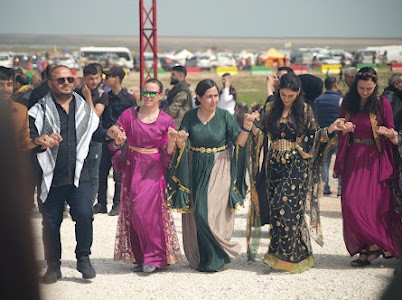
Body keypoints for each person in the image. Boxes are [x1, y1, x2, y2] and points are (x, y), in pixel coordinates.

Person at [28, 65, 118, 283]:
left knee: (85, 215)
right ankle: (53, 266)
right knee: (50, 223)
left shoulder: (83, 108)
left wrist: (109, 134)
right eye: (60, 80)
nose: (66, 83)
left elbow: (94, 132)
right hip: (51, 175)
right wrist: (41, 142)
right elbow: (30, 136)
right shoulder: (38, 110)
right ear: (50, 83)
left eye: (69, 79)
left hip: (79, 174)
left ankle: (83, 258)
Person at [247, 72, 343, 273]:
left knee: (287, 208)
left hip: (297, 166)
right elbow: (261, 131)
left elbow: (315, 136)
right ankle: (284, 253)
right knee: (276, 211)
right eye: (283, 95)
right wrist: (252, 125)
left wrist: (331, 129)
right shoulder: (272, 107)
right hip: (274, 166)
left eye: (291, 96)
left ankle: (288, 257)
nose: (287, 99)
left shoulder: (305, 110)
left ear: (298, 93)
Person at [168, 79, 254, 272]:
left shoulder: (224, 116)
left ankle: (219, 255)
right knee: (197, 212)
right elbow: (184, 142)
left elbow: (239, 142)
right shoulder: (190, 116)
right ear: (199, 98)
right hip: (196, 166)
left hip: (220, 166)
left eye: (216, 95)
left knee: (209, 213)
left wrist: (247, 126)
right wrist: (180, 142)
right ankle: (203, 257)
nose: (214, 100)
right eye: (209, 96)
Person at [111, 78, 181, 273]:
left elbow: (167, 152)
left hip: (153, 169)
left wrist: (173, 141)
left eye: (152, 93)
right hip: (133, 166)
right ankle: (141, 255)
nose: (148, 96)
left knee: (146, 212)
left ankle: (154, 256)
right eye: (145, 92)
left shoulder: (165, 120)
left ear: (160, 96)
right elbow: (117, 133)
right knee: (134, 212)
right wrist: (116, 134)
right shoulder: (128, 115)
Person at [333, 67, 402, 267]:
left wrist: (386, 132)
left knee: (374, 204)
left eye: (369, 88)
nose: (364, 92)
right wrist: (344, 129)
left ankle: (371, 247)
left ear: (375, 87)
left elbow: (392, 130)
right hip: (354, 156)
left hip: (375, 158)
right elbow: (339, 125)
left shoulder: (383, 103)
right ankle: (367, 245)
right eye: (361, 88)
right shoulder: (348, 101)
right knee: (351, 204)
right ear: (355, 85)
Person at [0, 94, 41, 299]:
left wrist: (38, 142)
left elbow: (24, 142)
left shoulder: (19, 110)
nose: (5, 88)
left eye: (9, 84)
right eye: (1, 84)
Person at [93, 66, 136, 216]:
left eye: (109, 76)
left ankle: (118, 204)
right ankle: (102, 203)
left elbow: (133, 120)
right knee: (102, 171)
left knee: (119, 173)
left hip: (122, 141)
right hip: (106, 138)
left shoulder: (129, 99)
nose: (106, 79)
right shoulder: (105, 97)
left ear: (116, 78)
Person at [76, 63, 107, 205]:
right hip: (77, 138)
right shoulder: (75, 93)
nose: (94, 82)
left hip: (95, 138)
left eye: (96, 78)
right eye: (90, 79)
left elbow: (95, 115)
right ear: (84, 79)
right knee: (75, 169)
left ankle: (89, 203)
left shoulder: (102, 95)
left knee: (93, 172)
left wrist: (88, 97)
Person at [315, 76, 342, 196]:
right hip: (339, 135)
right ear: (336, 85)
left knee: (324, 162)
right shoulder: (341, 100)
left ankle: (325, 186)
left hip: (325, 134)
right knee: (341, 161)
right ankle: (341, 188)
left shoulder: (318, 100)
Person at [164, 65, 192, 129]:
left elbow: (172, 110)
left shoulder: (182, 92)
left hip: (178, 127)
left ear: (181, 76)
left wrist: (161, 117)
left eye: (173, 74)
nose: (171, 77)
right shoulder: (177, 89)